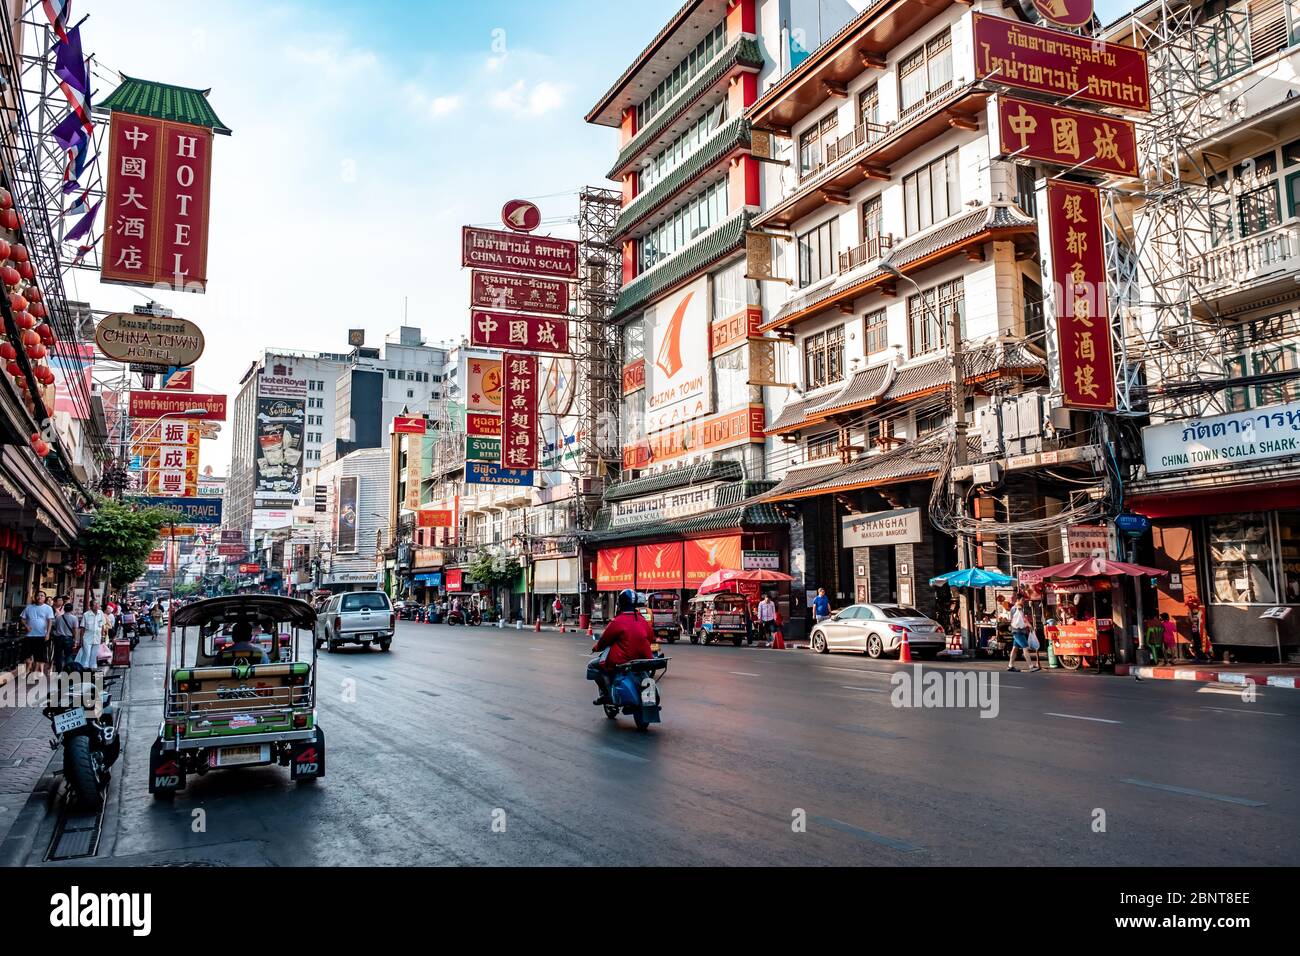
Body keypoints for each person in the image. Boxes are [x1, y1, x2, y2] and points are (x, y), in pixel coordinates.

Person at [588, 589, 653, 705]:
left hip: (623, 660)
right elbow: (651, 638)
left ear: (620, 604)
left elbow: (604, 640)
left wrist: (596, 648)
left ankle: (606, 695)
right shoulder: (642, 620)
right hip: (644, 659)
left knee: (592, 665)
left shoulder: (617, 621)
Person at [21, 591, 55, 675]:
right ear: (35, 597)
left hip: (41, 635)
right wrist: (26, 626)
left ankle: (36, 672)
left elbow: (50, 621)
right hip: (29, 635)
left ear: (44, 598)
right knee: (26, 655)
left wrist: (47, 633)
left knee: (39, 656)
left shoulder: (48, 608)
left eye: (42, 596)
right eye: (38, 595)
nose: (40, 597)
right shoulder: (29, 607)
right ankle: (28, 669)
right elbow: (22, 618)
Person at [1007, 595, 1040, 672]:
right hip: (1017, 631)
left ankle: (1010, 666)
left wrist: (1029, 625)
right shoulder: (1016, 608)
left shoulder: (1018, 608)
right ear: (1017, 600)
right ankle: (1031, 667)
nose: (1023, 601)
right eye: (1022, 600)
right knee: (1025, 648)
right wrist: (1028, 624)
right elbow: (1021, 616)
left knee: (1014, 649)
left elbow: (1023, 618)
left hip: (1018, 631)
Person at [74, 597, 106, 671]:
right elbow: (82, 628)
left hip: (97, 637)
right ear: (91, 606)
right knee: (87, 654)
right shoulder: (86, 614)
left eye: (97, 604)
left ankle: (93, 669)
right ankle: (85, 669)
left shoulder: (100, 613)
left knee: (94, 655)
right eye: (94, 605)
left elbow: (102, 626)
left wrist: (102, 636)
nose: (96, 606)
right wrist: (81, 640)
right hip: (87, 638)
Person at [50, 596, 79, 672]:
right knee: (68, 656)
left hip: (58, 638)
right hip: (68, 639)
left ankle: (59, 672)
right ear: (72, 609)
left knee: (58, 657)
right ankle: (68, 671)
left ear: (64, 609)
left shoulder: (58, 617)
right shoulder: (74, 618)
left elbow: (55, 627)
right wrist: (75, 641)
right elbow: (75, 630)